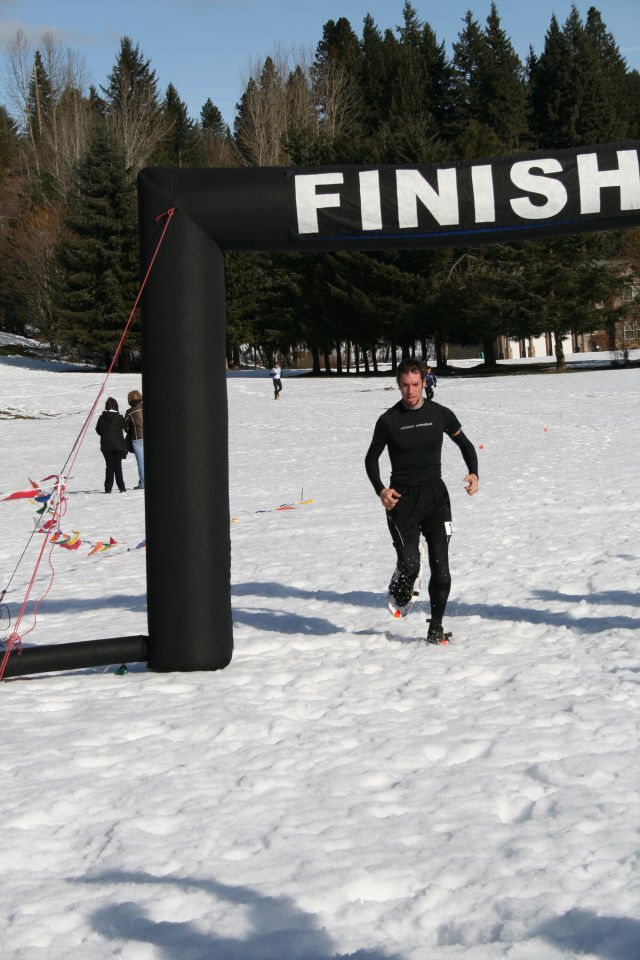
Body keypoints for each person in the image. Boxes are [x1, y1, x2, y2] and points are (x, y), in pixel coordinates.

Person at [365, 358, 478, 643]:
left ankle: (435, 626)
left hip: (436, 499)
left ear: (424, 382)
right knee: (411, 562)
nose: (410, 391)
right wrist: (381, 490)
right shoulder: (389, 420)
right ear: (398, 384)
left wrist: (473, 473)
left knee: (442, 567)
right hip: (401, 501)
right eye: (405, 385)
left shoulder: (439, 413)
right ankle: (405, 572)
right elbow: (370, 458)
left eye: (415, 384)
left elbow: (465, 444)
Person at [95, 397, 127, 493]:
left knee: (109, 466)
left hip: (106, 446)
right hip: (118, 445)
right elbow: (124, 426)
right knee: (118, 466)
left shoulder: (102, 418)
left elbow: (98, 429)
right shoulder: (119, 417)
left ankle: (108, 488)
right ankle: (121, 487)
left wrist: (105, 435)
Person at [124, 389, 144, 489]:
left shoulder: (130, 412)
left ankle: (143, 483)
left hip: (137, 438)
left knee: (141, 463)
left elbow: (126, 427)